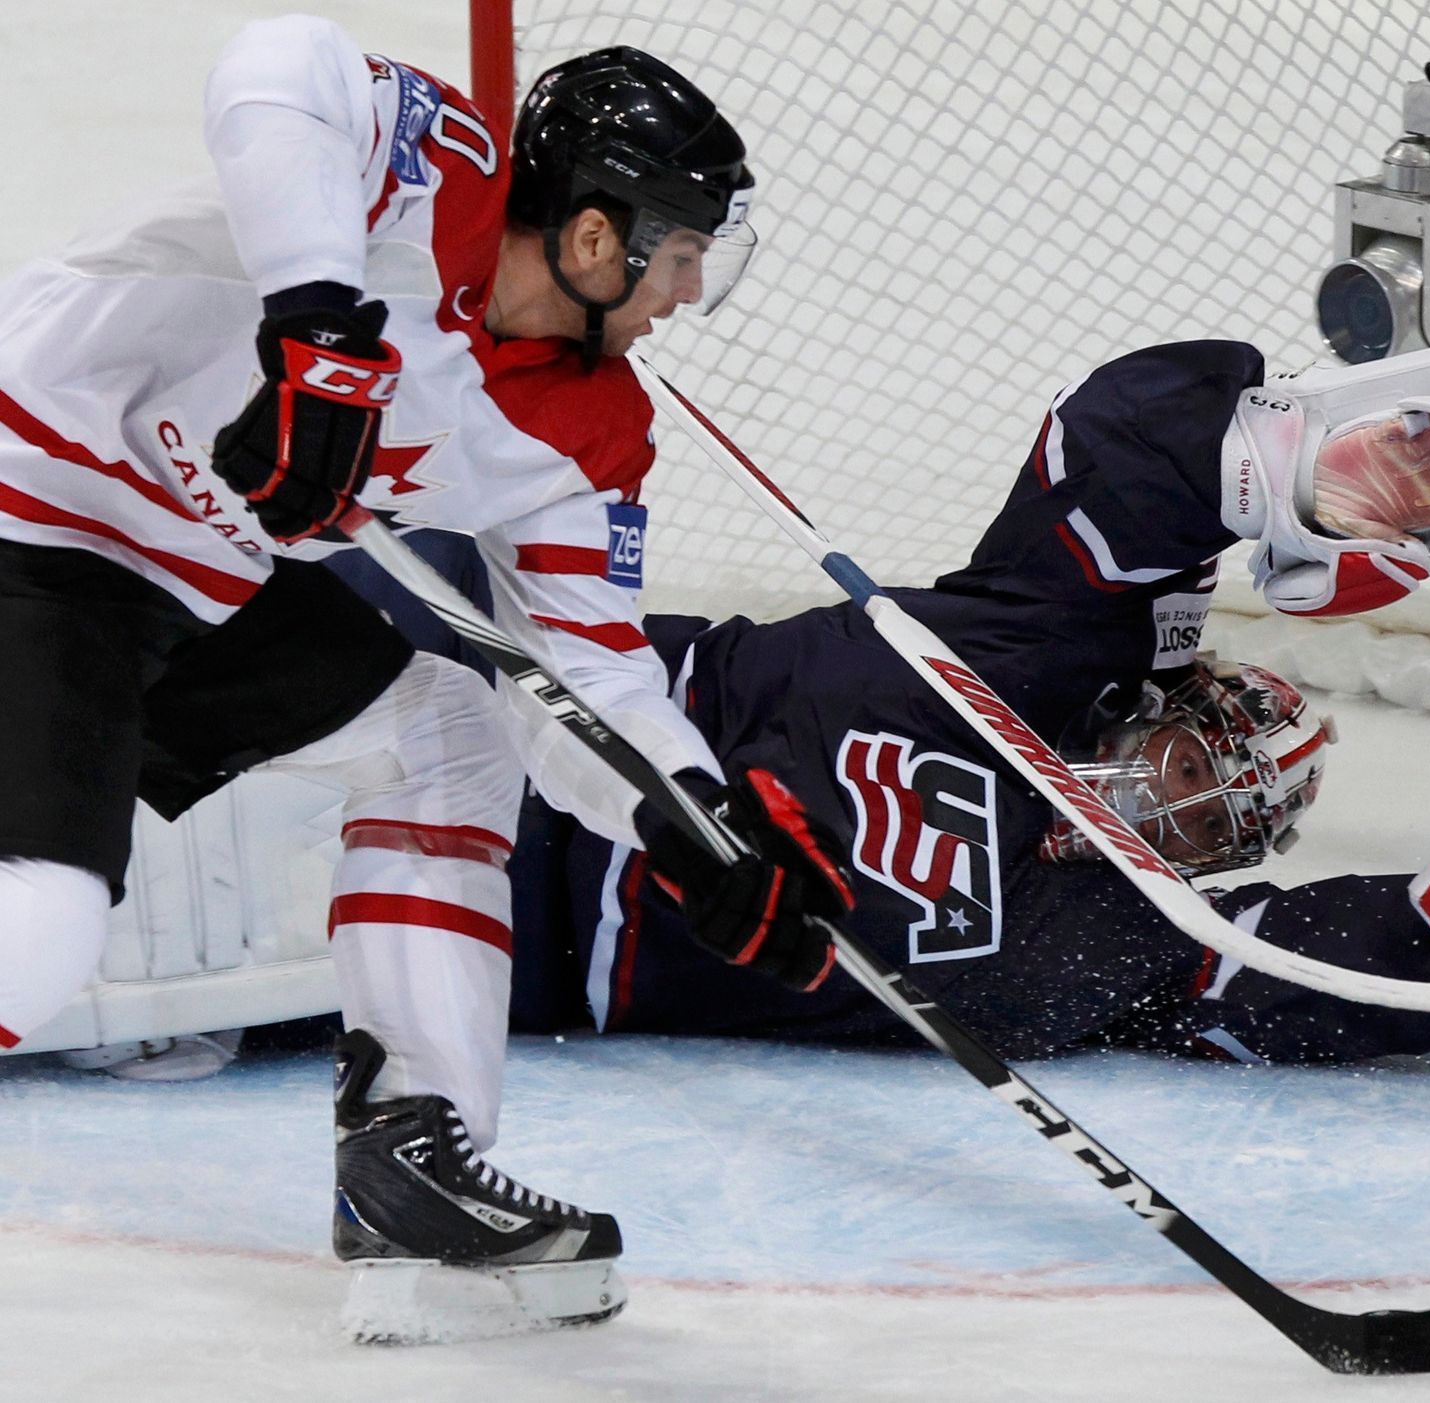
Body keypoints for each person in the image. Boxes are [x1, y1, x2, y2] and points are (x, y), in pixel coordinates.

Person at [0, 16, 849, 1340]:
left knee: (450, 729)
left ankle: (412, 1155)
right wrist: (318, 327)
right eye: (678, 255)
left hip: (175, 588)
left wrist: (694, 819)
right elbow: (274, 67)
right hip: (34, 497)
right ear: (590, 237)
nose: (686, 295)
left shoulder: (589, 432)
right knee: (41, 930)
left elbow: (585, 672)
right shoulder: (434, 175)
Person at [502, 332, 1430, 1064]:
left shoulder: (1093, 940)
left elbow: (1295, 970)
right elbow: (1118, 446)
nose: (1181, 806)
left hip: (529, 945)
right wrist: (1309, 473)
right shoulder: (1031, 649)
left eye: (1214, 822)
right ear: (1154, 699)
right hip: (546, 696)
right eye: (1194, 759)